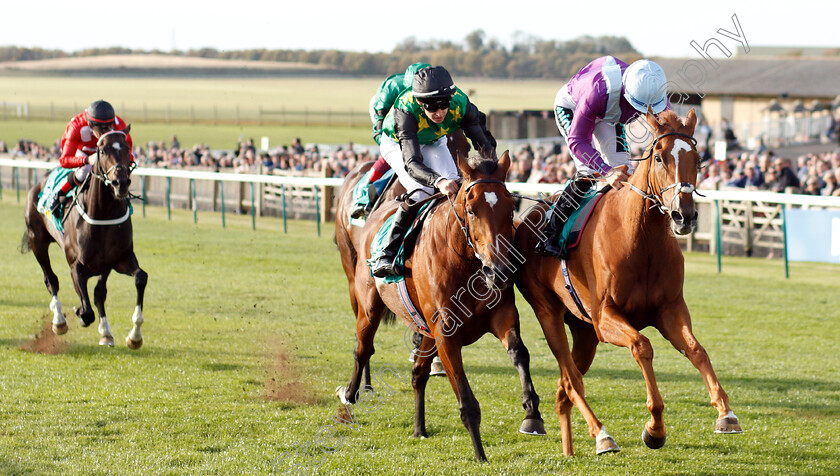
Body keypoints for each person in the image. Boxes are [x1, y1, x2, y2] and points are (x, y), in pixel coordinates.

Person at [370, 65, 496, 278]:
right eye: (431, 108)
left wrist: (491, 170)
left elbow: (483, 142)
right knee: (420, 190)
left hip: (434, 139)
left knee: (458, 187)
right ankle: (386, 253)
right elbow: (412, 162)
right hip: (397, 142)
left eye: (443, 106)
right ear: (420, 102)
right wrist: (438, 181)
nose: (438, 113)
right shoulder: (406, 109)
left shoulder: (461, 103)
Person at [538, 56, 669, 258]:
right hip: (574, 107)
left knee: (626, 169)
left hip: (609, 112)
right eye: (638, 107)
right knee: (588, 170)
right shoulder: (597, 92)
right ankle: (551, 234)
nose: (640, 113)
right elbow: (577, 141)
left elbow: (669, 127)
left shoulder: (653, 89)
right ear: (628, 94)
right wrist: (606, 172)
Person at [348, 62, 430, 218]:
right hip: (385, 110)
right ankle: (364, 193)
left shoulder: (430, 90)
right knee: (396, 152)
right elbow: (380, 127)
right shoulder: (393, 87)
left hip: (410, 112)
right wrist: (386, 143)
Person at [46, 100, 134, 216]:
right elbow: (64, 160)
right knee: (85, 170)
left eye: (109, 127)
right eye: (102, 129)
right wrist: (86, 160)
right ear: (90, 125)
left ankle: (123, 197)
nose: (106, 131)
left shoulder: (119, 125)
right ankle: (59, 195)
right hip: (83, 151)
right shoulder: (76, 126)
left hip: (107, 152)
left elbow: (128, 154)